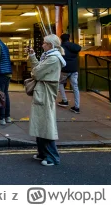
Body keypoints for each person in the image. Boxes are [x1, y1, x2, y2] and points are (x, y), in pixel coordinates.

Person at [27, 34, 66, 166]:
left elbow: (36, 73)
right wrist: (32, 56)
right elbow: (38, 68)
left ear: (50, 45)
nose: (42, 44)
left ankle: (53, 157)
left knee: (46, 123)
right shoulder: (48, 57)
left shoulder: (53, 59)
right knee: (41, 122)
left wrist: (35, 71)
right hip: (42, 91)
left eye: (44, 43)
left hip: (45, 92)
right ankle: (43, 153)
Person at [57, 33, 82, 114]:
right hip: (74, 70)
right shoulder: (74, 46)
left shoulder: (61, 47)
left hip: (65, 69)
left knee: (60, 83)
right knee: (75, 87)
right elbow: (79, 48)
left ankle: (64, 100)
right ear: (69, 38)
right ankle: (77, 107)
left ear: (61, 39)